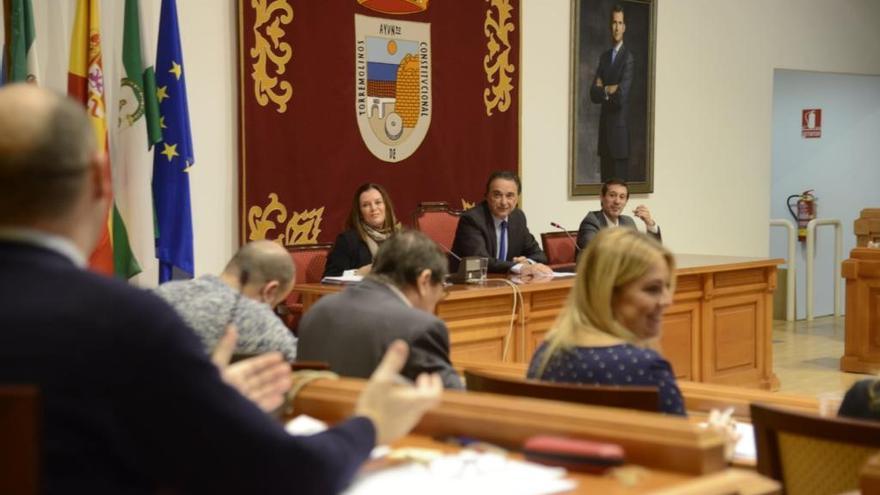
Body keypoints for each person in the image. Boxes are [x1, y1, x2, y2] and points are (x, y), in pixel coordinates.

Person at [0, 84, 441, 494]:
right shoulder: (125, 323)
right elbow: (288, 472)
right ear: (101, 181)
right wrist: (369, 423)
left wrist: (200, 402)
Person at [527, 228, 685, 415]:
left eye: (667, 287)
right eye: (652, 289)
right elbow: (683, 443)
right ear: (609, 293)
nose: (668, 300)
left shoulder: (546, 355)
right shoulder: (646, 369)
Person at [299, 230, 463, 389]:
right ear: (424, 280)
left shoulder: (317, 310)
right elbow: (455, 400)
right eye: (441, 288)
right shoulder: (420, 327)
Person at [154, 240, 298, 361]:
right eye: (274, 304)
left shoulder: (161, 294)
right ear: (270, 291)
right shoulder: (257, 320)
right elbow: (300, 368)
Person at [450, 170, 551, 275]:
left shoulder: (518, 218)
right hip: (468, 285)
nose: (503, 202)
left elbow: (539, 255)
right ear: (487, 196)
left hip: (506, 284)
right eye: (497, 195)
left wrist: (527, 262)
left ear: (517, 198)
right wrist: (519, 267)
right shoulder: (472, 219)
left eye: (509, 195)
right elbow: (480, 261)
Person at [589, 4, 634, 182]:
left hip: (619, 140)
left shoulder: (628, 58)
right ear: (610, 26)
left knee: (617, 196)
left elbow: (621, 97)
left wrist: (603, 88)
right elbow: (593, 93)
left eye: (620, 23)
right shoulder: (604, 57)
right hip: (605, 138)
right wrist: (609, 88)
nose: (616, 27)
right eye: (614, 22)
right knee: (604, 194)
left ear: (624, 27)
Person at [323, 182, 400, 277]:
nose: (373, 208)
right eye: (366, 205)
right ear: (360, 213)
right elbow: (329, 277)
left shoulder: (400, 239)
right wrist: (358, 273)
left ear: (386, 206)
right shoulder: (348, 241)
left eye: (378, 202)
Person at [576, 178, 660, 251]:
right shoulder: (591, 221)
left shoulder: (628, 222)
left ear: (626, 201)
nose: (617, 201)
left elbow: (650, 253)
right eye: (612, 195)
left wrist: (649, 224)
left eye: (622, 197)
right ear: (602, 197)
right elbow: (594, 252)